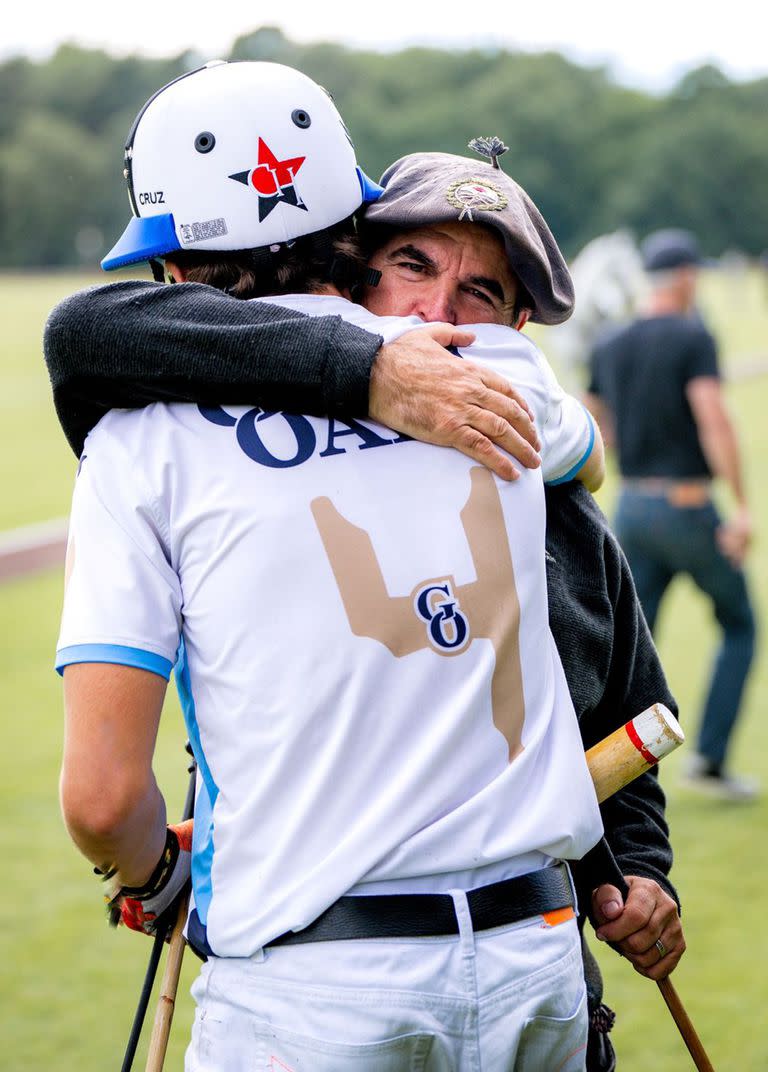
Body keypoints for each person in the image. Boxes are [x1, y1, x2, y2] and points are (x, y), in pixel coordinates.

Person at [50, 61, 683, 1071]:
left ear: (169, 269)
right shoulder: (496, 367)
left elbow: (98, 800)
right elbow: (586, 462)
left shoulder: (139, 438)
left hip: (313, 992)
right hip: (535, 967)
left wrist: (157, 882)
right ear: (354, 235)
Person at [586, 228, 758, 801]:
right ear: (684, 277)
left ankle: (612, 775)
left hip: (631, 509)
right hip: (686, 508)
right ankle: (709, 758)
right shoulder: (692, 335)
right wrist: (742, 509)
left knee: (635, 649)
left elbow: (593, 431)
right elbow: (713, 418)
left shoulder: (610, 343)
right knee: (739, 623)